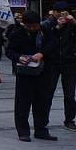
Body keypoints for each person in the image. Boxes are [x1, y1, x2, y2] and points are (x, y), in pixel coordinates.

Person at [6, 9, 56, 142]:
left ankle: (41, 129)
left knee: (42, 102)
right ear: (24, 24)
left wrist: (42, 53)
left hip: (44, 71)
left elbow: (53, 44)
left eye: (35, 26)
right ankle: (23, 131)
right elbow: (10, 50)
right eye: (30, 26)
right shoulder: (17, 34)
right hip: (25, 73)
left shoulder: (45, 31)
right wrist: (19, 57)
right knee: (23, 103)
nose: (33, 28)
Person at [51, 10, 76, 131]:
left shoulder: (72, 25)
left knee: (70, 95)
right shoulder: (50, 24)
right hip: (54, 63)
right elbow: (48, 40)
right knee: (48, 93)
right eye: (59, 14)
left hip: (69, 63)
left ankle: (70, 120)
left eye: (64, 15)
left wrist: (74, 22)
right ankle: (42, 121)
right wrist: (57, 26)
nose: (62, 17)